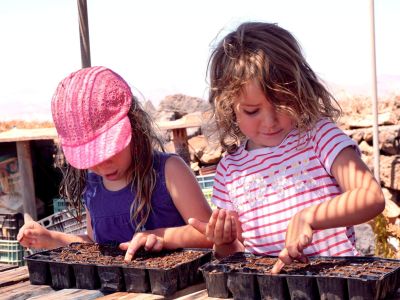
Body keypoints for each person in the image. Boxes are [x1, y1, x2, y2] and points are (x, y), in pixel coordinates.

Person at [189, 22, 385, 273]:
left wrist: (309, 217)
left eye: (283, 103)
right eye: (252, 111)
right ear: (229, 108)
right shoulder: (230, 169)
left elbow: (370, 197)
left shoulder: (318, 137)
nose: (270, 122)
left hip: (338, 280)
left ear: (300, 91)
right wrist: (224, 242)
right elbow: (237, 256)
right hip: (273, 288)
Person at [17, 66, 213, 261]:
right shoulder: (92, 187)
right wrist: (50, 238)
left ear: (134, 126)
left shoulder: (170, 171)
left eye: (109, 150)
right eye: (92, 158)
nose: (102, 165)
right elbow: (97, 246)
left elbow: (210, 234)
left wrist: (163, 237)